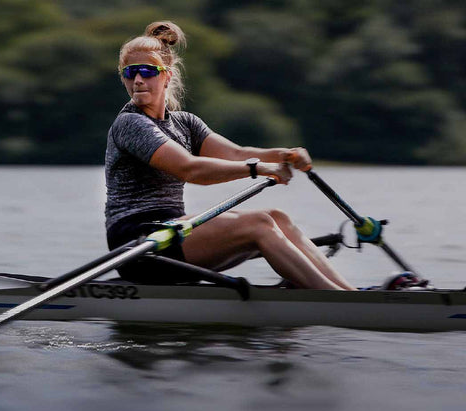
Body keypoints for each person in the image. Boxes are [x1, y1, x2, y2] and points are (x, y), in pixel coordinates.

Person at [105, 21, 356, 290]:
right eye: (130, 73)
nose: (138, 80)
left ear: (166, 76)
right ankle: (337, 300)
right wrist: (259, 169)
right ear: (123, 77)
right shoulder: (130, 123)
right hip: (139, 245)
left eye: (147, 71)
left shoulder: (185, 123)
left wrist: (285, 154)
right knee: (259, 223)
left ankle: (348, 294)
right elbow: (191, 169)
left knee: (278, 217)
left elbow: (236, 153)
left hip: (173, 233)